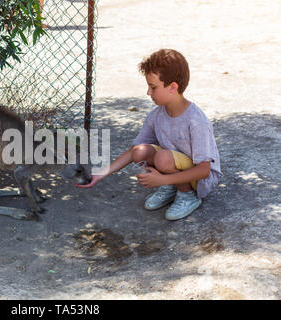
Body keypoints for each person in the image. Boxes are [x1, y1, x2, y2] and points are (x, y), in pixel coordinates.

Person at [76, 49, 222, 221]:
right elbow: (134, 152)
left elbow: (204, 170)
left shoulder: (196, 121)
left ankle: (187, 195)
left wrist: (160, 180)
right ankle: (171, 186)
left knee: (163, 158)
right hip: (174, 164)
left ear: (173, 87)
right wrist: (100, 174)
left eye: (153, 87)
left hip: (200, 180)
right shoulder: (156, 115)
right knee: (140, 152)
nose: (148, 92)